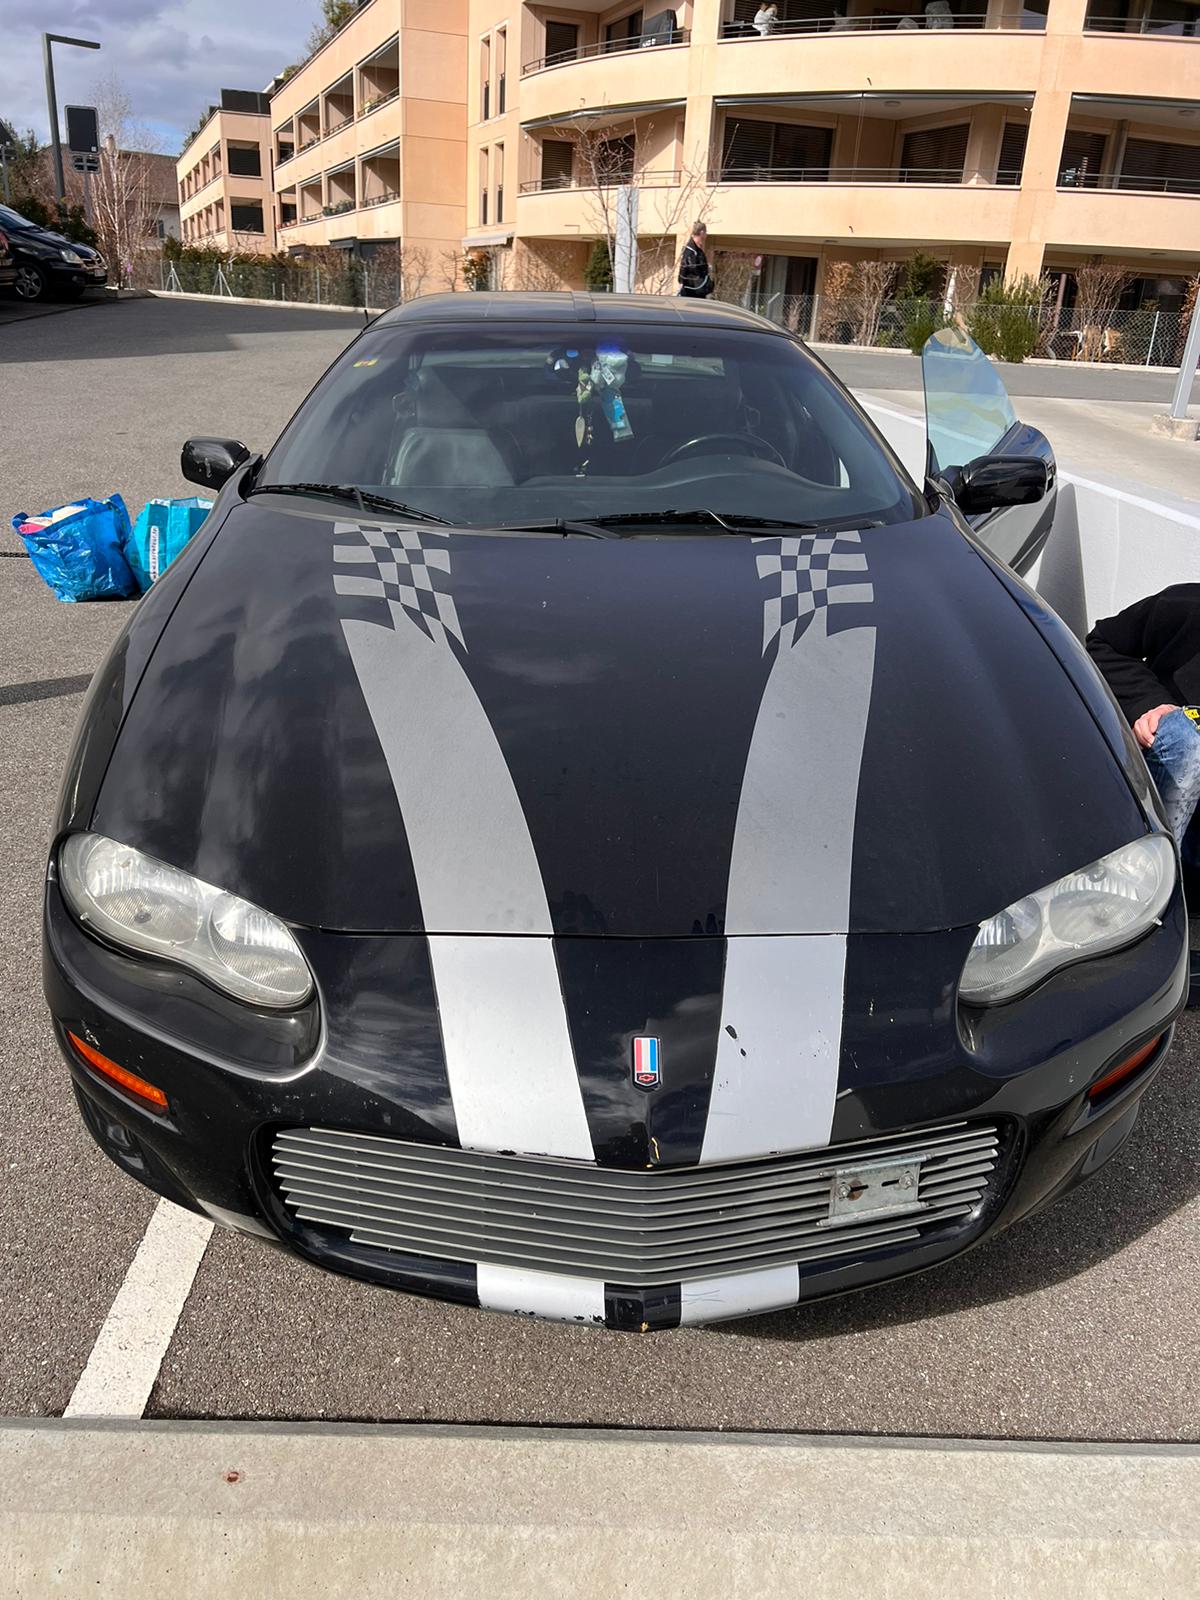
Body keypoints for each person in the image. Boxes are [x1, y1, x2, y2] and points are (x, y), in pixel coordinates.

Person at [1087, 584, 1200, 861]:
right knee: (1183, 734)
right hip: (1164, 786)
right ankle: (1144, 868)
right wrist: (1149, 704)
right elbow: (1103, 643)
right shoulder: (1186, 606)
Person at [678, 221, 714, 299]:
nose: (706, 235)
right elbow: (686, 268)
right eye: (705, 232)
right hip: (692, 291)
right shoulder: (691, 251)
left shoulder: (697, 250)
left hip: (698, 290)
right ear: (702, 232)